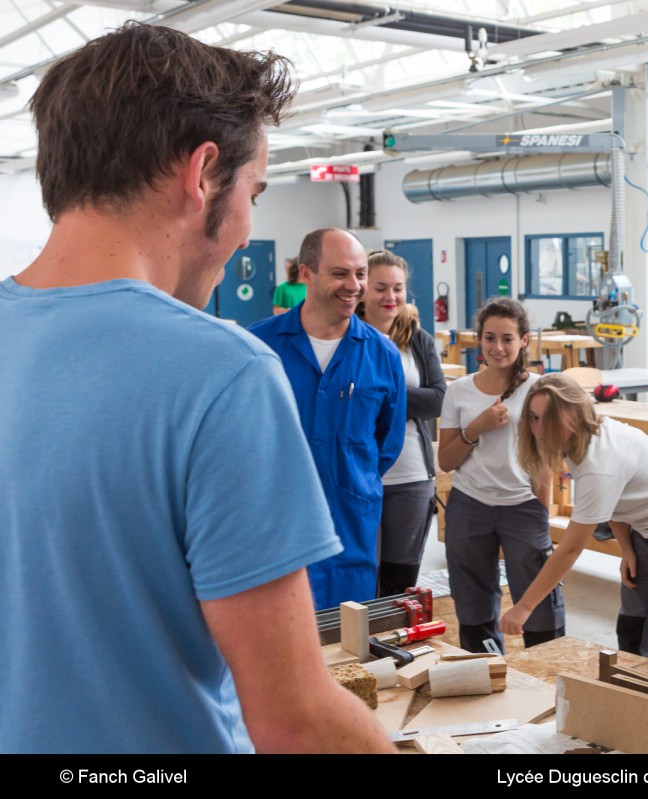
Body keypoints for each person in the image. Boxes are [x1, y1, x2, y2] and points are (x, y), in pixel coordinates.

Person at [0, 22, 394, 753]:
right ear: (204, 173)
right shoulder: (224, 373)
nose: (245, 229)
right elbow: (296, 722)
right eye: (254, 192)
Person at [499, 373, 648, 684]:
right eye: (534, 418)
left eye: (548, 418)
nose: (539, 429)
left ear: (573, 414)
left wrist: (524, 607)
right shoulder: (579, 442)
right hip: (645, 528)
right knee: (632, 629)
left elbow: (570, 550)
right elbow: (614, 500)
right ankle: (638, 700)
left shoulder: (598, 460)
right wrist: (627, 549)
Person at [250, 228, 406, 610]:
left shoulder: (382, 355)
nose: (353, 285)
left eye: (360, 274)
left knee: (348, 637)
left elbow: (387, 444)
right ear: (306, 273)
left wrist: (349, 478)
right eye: (339, 274)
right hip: (276, 529)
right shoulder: (260, 350)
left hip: (351, 527)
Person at [438, 297, 564, 653]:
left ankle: (547, 671)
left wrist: (542, 514)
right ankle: (485, 672)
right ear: (479, 339)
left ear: (524, 340)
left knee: (540, 603)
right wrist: (476, 427)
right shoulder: (458, 391)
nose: (498, 347)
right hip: (469, 504)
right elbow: (446, 461)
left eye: (507, 338)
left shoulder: (539, 389)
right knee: (472, 602)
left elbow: (545, 460)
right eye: (490, 338)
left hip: (523, 505)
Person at [359, 249, 446, 595]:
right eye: (380, 288)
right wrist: (404, 399)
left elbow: (437, 399)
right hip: (360, 475)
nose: (390, 296)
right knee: (361, 580)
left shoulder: (417, 339)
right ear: (362, 289)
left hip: (411, 475)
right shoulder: (347, 337)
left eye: (398, 288)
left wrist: (380, 393)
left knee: (399, 585)